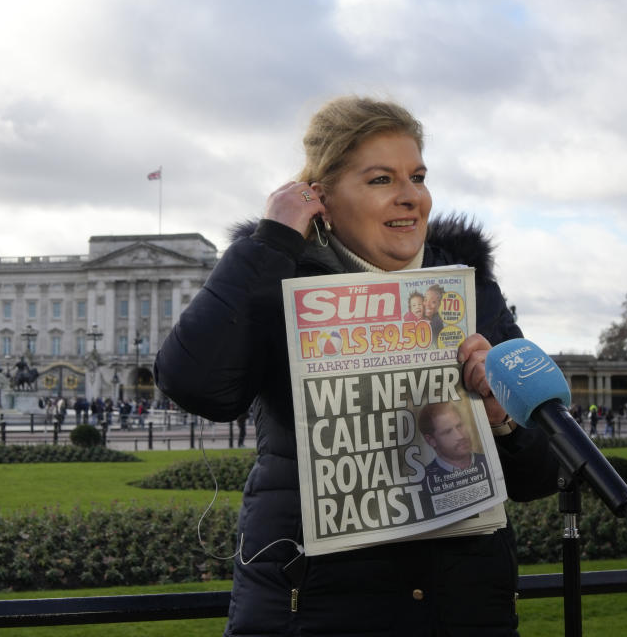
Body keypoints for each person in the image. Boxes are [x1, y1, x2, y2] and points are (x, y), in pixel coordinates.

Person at [154, 96, 559, 637]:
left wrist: (501, 417)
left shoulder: (471, 289)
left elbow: (539, 475)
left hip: (460, 605)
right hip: (316, 606)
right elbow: (195, 386)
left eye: (417, 175)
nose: (410, 197)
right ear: (320, 196)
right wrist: (271, 241)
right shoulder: (275, 277)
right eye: (380, 180)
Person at [418, 402, 490, 500]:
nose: (460, 436)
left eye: (459, 425)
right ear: (431, 441)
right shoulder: (423, 483)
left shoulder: (489, 462)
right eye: (447, 432)